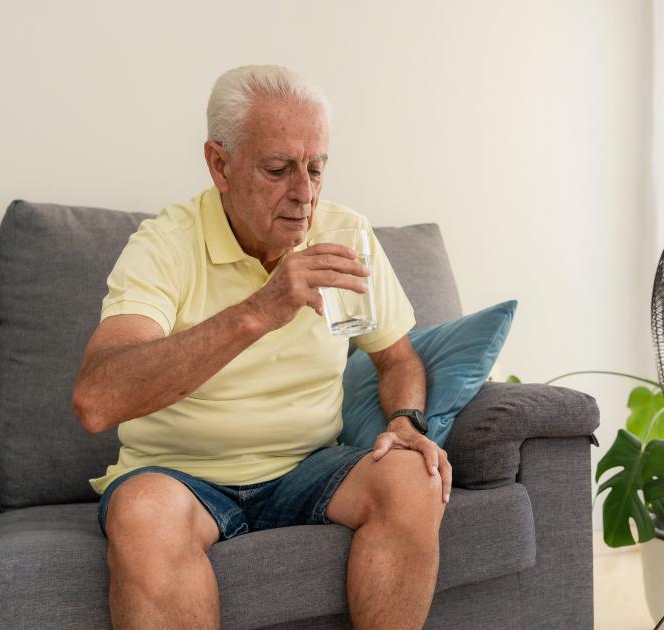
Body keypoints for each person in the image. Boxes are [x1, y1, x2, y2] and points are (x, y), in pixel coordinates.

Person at [71, 65, 451, 630]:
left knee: (412, 479)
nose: (305, 193)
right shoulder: (165, 246)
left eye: (316, 168)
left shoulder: (345, 237)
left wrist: (404, 421)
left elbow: (395, 358)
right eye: (278, 169)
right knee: (143, 511)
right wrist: (259, 310)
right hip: (180, 475)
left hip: (309, 467)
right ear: (219, 164)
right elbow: (96, 399)